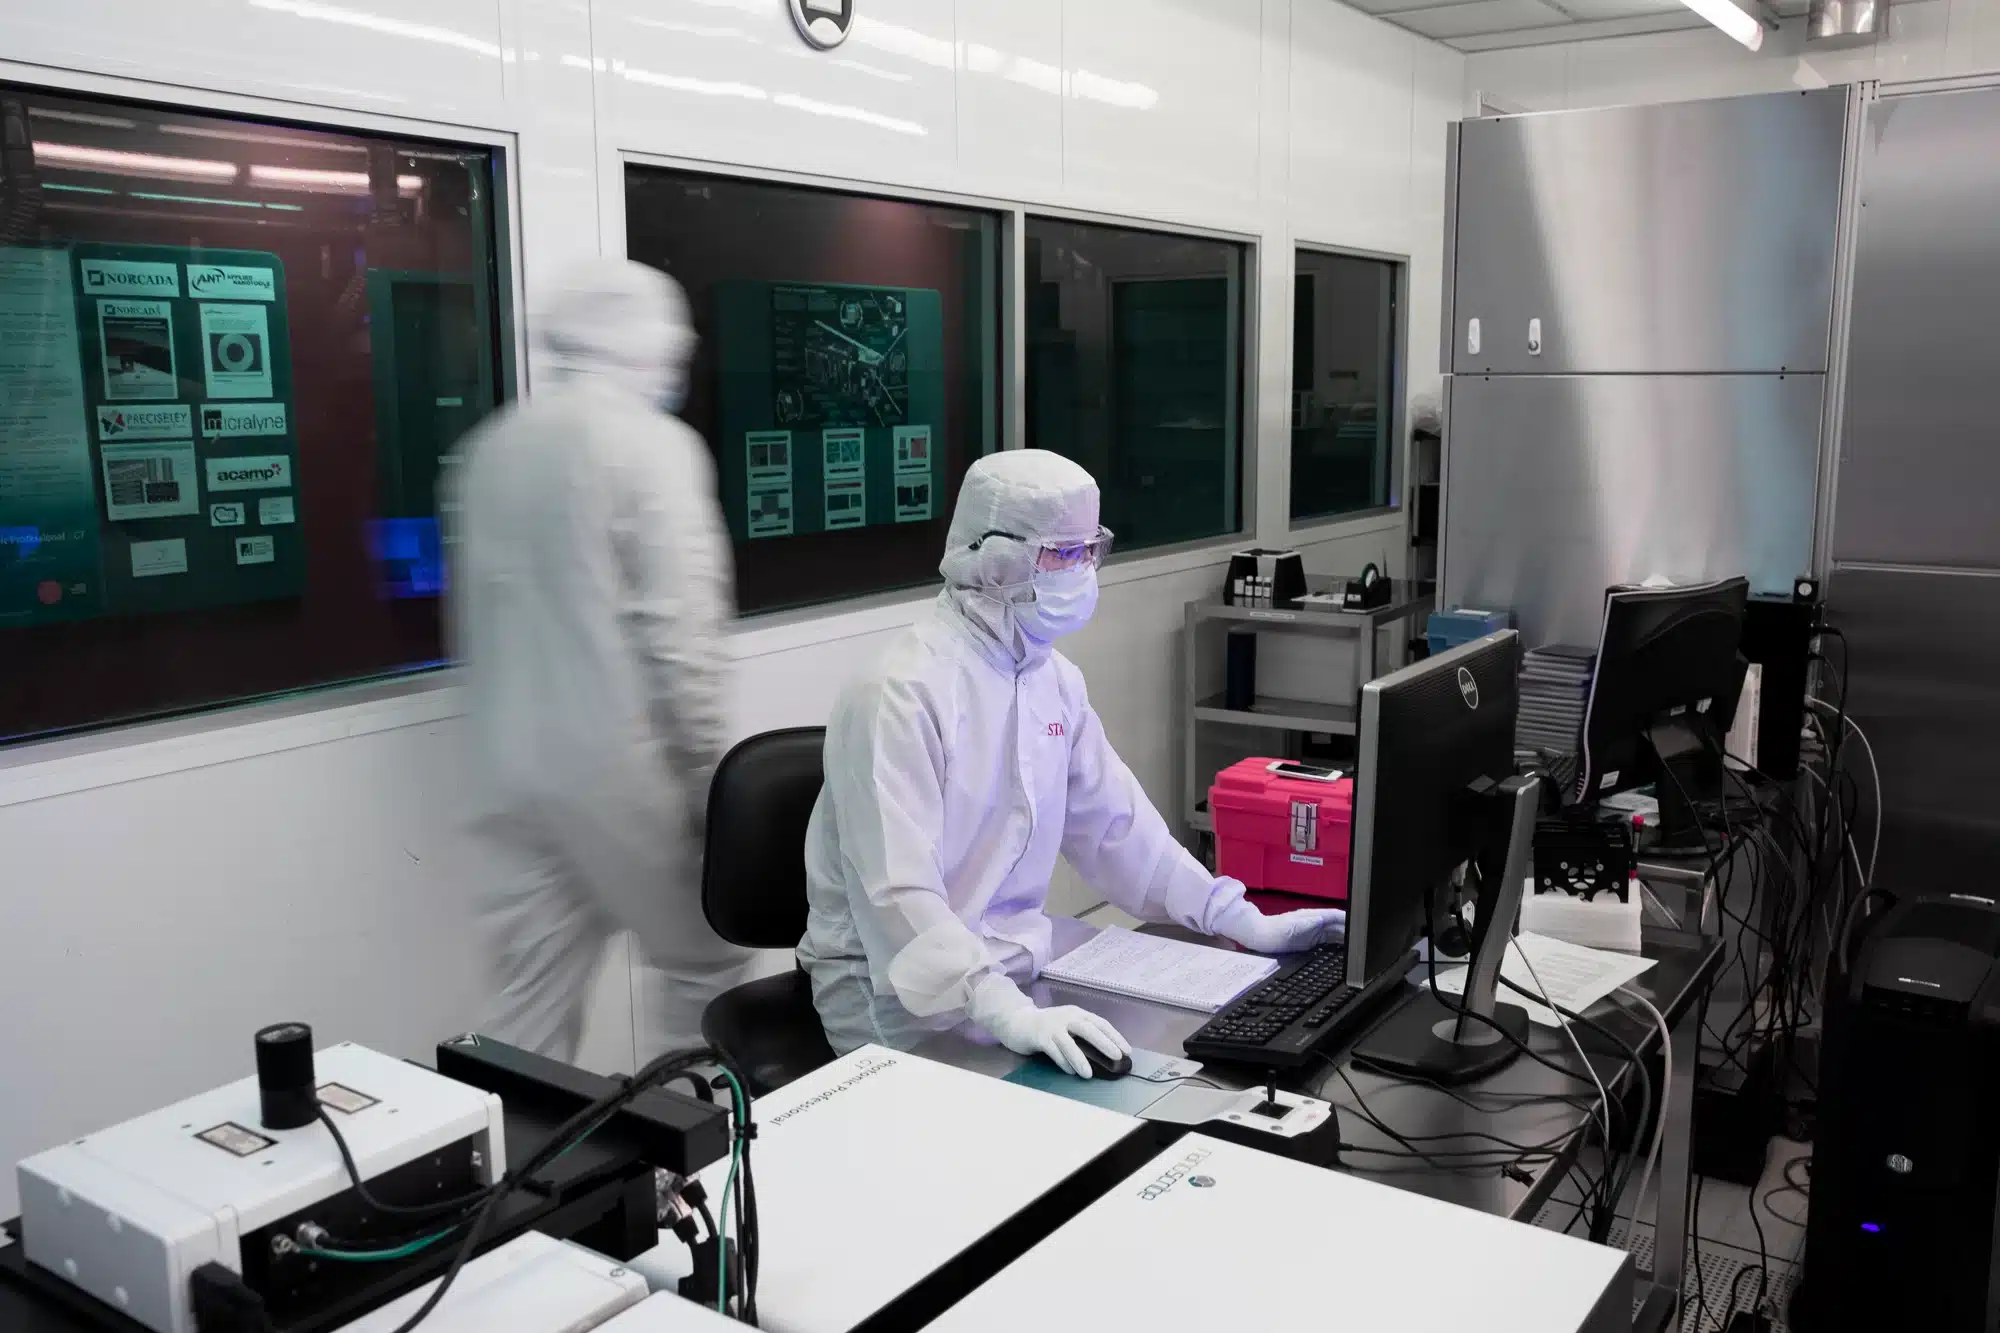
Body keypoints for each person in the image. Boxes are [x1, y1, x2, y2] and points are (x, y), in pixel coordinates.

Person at [798, 450, 1344, 1077]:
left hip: (1017, 960)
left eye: (1091, 550)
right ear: (994, 556)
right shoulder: (899, 692)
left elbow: (1118, 830)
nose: (1083, 571)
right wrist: (1007, 1014)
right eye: (1063, 553)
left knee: (1190, 1063)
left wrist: (1239, 918)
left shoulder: (1052, 679)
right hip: (899, 994)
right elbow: (898, 898)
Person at [447, 257, 760, 1062]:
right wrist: (710, 780)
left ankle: (522, 1179)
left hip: (510, 772)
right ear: (647, 346)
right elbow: (681, 636)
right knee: (708, 968)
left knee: (529, 1009)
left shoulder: (492, 448)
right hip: (625, 772)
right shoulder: (651, 446)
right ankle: (689, 1172)